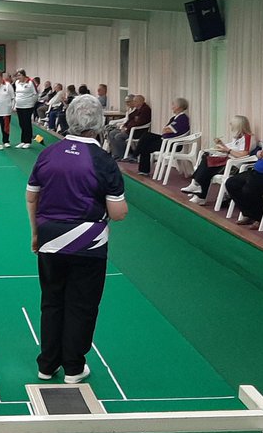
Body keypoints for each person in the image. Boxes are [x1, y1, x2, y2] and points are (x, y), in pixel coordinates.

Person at [27, 95, 128, 384]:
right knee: (81, 304)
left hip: (49, 238)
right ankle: (73, 367)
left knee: (52, 300)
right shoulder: (104, 160)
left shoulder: (48, 153)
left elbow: (32, 196)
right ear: (99, 123)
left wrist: (36, 232)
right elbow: (117, 213)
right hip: (88, 243)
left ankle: (46, 365)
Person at [180, 114, 251, 205]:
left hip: (234, 166)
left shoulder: (247, 137)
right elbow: (232, 148)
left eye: (232, 124)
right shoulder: (237, 138)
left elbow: (244, 154)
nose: (230, 125)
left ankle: (198, 189)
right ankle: (198, 190)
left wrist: (227, 150)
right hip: (228, 161)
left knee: (207, 162)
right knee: (206, 159)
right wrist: (222, 145)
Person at [134, 97, 192, 176]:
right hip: (165, 140)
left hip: (171, 144)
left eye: (173, 105)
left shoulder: (182, 118)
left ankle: (137, 159)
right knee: (146, 135)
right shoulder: (174, 118)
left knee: (145, 146)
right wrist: (166, 130)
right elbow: (165, 129)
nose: (172, 107)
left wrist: (166, 130)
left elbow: (168, 130)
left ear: (179, 107)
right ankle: (136, 156)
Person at [108, 95, 151, 159]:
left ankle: (122, 155)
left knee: (118, 136)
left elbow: (140, 123)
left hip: (137, 132)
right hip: (128, 129)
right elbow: (130, 119)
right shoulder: (136, 109)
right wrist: (124, 126)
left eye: (135, 101)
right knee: (111, 133)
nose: (134, 102)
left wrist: (127, 128)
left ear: (141, 102)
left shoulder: (145, 110)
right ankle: (116, 154)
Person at [13, 70, 39, 148]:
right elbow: (16, 94)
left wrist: (31, 103)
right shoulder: (17, 83)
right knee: (21, 124)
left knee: (27, 123)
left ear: (24, 75)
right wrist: (15, 105)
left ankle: (28, 141)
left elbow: (35, 94)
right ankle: (23, 141)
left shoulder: (30, 82)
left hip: (28, 106)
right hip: (19, 106)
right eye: (17, 76)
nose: (18, 77)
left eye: (19, 75)